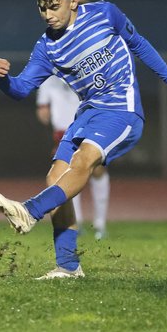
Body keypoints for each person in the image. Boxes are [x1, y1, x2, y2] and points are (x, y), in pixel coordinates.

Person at [0, 0, 167, 279]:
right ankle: (69, 267)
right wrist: (3, 80)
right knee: (56, 178)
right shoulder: (46, 48)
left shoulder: (105, 14)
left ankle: (30, 211)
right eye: (42, 8)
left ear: (73, 1)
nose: (48, 14)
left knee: (85, 160)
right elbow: (21, 90)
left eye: (54, 6)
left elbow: (139, 44)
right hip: (86, 114)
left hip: (121, 111)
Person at [36, 75, 111, 240]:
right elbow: (42, 110)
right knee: (67, 172)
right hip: (64, 130)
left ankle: (100, 224)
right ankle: (77, 223)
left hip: (90, 124)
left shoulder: (86, 65)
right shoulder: (48, 75)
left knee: (97, 170)